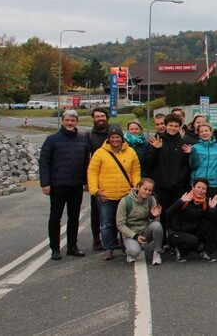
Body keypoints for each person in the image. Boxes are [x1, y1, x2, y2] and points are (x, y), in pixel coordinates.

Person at [39, 109, 91, 260]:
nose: (70, 123)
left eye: (73, 120)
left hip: (76, 186)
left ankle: (72, 246)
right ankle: (55, 249)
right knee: (55, 217)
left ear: (77, 122)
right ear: (62, 121)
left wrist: (86, 182)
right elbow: (44, 162)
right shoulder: (52, 139)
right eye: (67, 120)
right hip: (57, 185)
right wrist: (45, 183)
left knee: (74, 217)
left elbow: (86, 163)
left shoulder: (82, 140)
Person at [87, 124, 142, 260]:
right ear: (108, 138)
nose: (115, 140)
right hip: (106, 195)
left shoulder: (131, 152)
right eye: (112, 137)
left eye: (117, 137)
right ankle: (108, 248)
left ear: (122, 138)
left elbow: (135, 171)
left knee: (124, 223)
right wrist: (95, 190)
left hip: (125, 195)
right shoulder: (100, 153)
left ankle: (125, 247)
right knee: (106, 224)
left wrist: (136, 187)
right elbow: (92, 172)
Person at [145, 113, 191, 250]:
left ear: (180, 127)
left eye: (176, 126)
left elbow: (186, 166)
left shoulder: (183, 143)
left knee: (176, 216)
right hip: (161, 186)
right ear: (165, 125)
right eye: (170, 125)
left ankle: (174, 243)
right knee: (162, 215)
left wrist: (179, 180)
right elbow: (149, 164)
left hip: (177, 187)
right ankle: (162, 242)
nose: (172, 128)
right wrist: (156, 150)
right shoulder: (157, 140)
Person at [166, 178, 217, 262]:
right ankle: (178, 250)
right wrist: (180, 202)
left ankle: (206, 252)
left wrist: (213, 209)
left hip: (193, 231)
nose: (200, 190)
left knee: (212, 224)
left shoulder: (205, 202)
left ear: (206, 191)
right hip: (177, 232)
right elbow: (167, 215)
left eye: (203, 188)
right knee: (193, 240)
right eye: (198, 187)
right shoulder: (185, 198)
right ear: (193, 187)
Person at [116, 178, 163, 265]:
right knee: (134, 251)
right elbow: (120, 225)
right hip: (131, 233)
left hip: (145, 231)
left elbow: (156, 221)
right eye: (145, 189)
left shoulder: (151, 199)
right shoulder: (125, 201)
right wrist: (135, 236)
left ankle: (157, 253)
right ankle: (130, 251)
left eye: (150, 190)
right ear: (138, 187)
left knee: (157, 225)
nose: (147, 192)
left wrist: (152, 216)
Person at [86, 106, 110, 251]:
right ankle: (96, 238)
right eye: (97, 116)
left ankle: (112, 238)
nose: (100, 118)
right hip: (97, 180)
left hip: (113, 178)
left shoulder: (114, 134)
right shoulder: (89, 136)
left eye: (102, 116)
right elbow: (85, 160)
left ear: (107, 118)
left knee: (113, 211)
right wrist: (87, 182)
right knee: (96, 212)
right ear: (94, 119)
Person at [187, 122, 217, 198]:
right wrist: (192, 153)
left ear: (211, 132)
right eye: (201, 132)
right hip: (198, 184)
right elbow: (193, 166)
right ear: (199, 134)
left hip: (214, 184)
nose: (204, 133)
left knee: (212, 208)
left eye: (206, 131)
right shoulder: (195, 147)